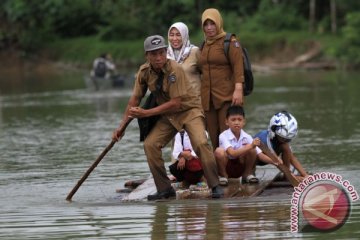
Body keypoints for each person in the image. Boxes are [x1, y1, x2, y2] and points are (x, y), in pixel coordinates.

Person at [112, 35, 223, 200]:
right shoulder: (144, 72)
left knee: (200, 142)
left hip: (189, 110)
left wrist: (146, 113)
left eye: (162, 53)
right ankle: (164, 188)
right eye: (154, 54)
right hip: (168, 115)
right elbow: (134, 101)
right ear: (146, 56)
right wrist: (121, 127)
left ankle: (215, 185)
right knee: (150, 145)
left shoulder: (175, 69)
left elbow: (176, 103)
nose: (158, 58)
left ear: (166, 52)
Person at [198, 8, 245, 150]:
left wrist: (238, 89)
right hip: (208, 99)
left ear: (219, 23)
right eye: (206, 24)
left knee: (228, 135)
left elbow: (238, 66)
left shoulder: (230, 42)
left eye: (212, 23)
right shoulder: (204, 45)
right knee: (213, 137)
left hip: (227, 96)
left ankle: (236, 168)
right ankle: (218, 170)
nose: (209, 28)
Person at [214, 105, 279, 185]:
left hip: (240, 167)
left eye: (239, 120)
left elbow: (260, 154)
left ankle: (247, 175)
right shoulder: (223, 135)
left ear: (244, 122)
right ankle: (223, 176)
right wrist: (250, 146)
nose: (236, 122)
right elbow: (232, 153)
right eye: (233, 120)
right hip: (227, 167)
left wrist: (275, 162)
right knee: (219, 151)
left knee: (253, 150)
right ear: (227, 122)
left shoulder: (247, 136)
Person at [254, 111, 309, 180]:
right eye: (283, 139)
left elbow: (292, 158)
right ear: (274, 133)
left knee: (285, 147)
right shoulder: (265, 140)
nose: (285, 141)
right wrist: (294, 178)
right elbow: (277, 162)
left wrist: (305, 175)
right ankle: (249, 173)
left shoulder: (282, 141)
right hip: (255, 159)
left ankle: (287, 176)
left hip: (272, 158)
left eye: (288, 140)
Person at [167, 22, 201, 97]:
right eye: (171, 35)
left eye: (178, 35)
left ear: (185, 35)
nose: (174, 38)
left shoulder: (194, 51)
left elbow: (205, 74)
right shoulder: (166, 55)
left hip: (194, 101)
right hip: (174, 102)